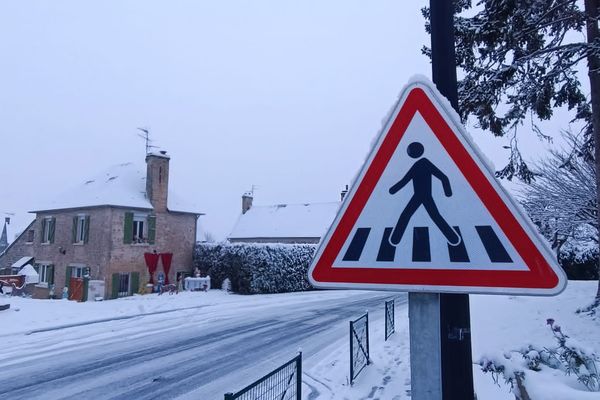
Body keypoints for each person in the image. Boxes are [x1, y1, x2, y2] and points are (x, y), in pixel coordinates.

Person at [389, 141, 460, 246]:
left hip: (423, 196)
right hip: (420, 196)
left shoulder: (423, 163)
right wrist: (392, 190)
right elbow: (405, 180)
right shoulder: (420, 164)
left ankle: (395, 239)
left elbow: (443, 177)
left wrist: (448, 192)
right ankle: (453, 238)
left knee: (409, 215)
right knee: (433, 216)